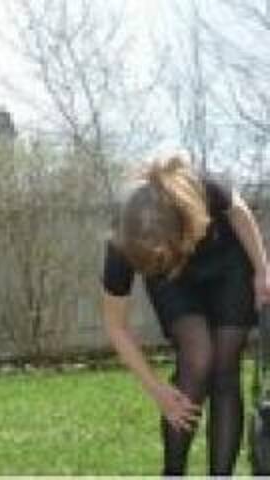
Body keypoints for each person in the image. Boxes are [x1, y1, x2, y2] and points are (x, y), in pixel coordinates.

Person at [101, 150, 270, 476]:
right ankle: (173, 472)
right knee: (197, 358)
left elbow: (239, 212)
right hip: (172, 280)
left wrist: (263, 270)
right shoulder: (123, 241)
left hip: (226, 261)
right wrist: (157, 390)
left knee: (224, 369)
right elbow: (115, 325)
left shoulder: (204, 187)